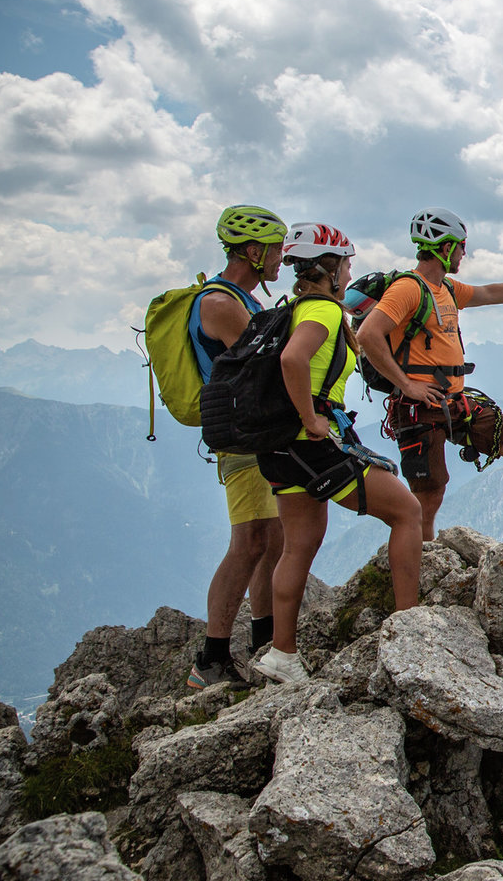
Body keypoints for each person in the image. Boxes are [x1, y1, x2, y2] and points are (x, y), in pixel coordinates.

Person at [251, 223, 423, 685]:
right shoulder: (323, 314)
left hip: (279, 447)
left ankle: (282, 655)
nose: (350, 271)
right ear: (328, 266)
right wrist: (311, 419)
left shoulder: (293, 309)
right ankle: (411, 629)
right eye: (346, 263)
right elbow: (293, 360)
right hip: (312, 443)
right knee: (407, 511)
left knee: (299, 545)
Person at [358, 208, 503, 546]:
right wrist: (406, 385)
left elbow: (490, 293)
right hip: (419, 404)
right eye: (461, 246)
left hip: (454, 402)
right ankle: (421, 565)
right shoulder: (408, 289)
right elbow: (368, 335)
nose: (464, 252)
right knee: (428, 498)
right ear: (445, 247)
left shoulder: (445, 288)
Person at [189, 205, 288, 690]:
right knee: (249, 543)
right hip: (241, 437)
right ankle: (210, 659)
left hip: (257, 433)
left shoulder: (244, 301)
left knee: (274, 539)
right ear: (252, 251)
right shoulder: (220, 303)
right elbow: (260, 368)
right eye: (273, 249)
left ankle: (263, 642)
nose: (280, 258)